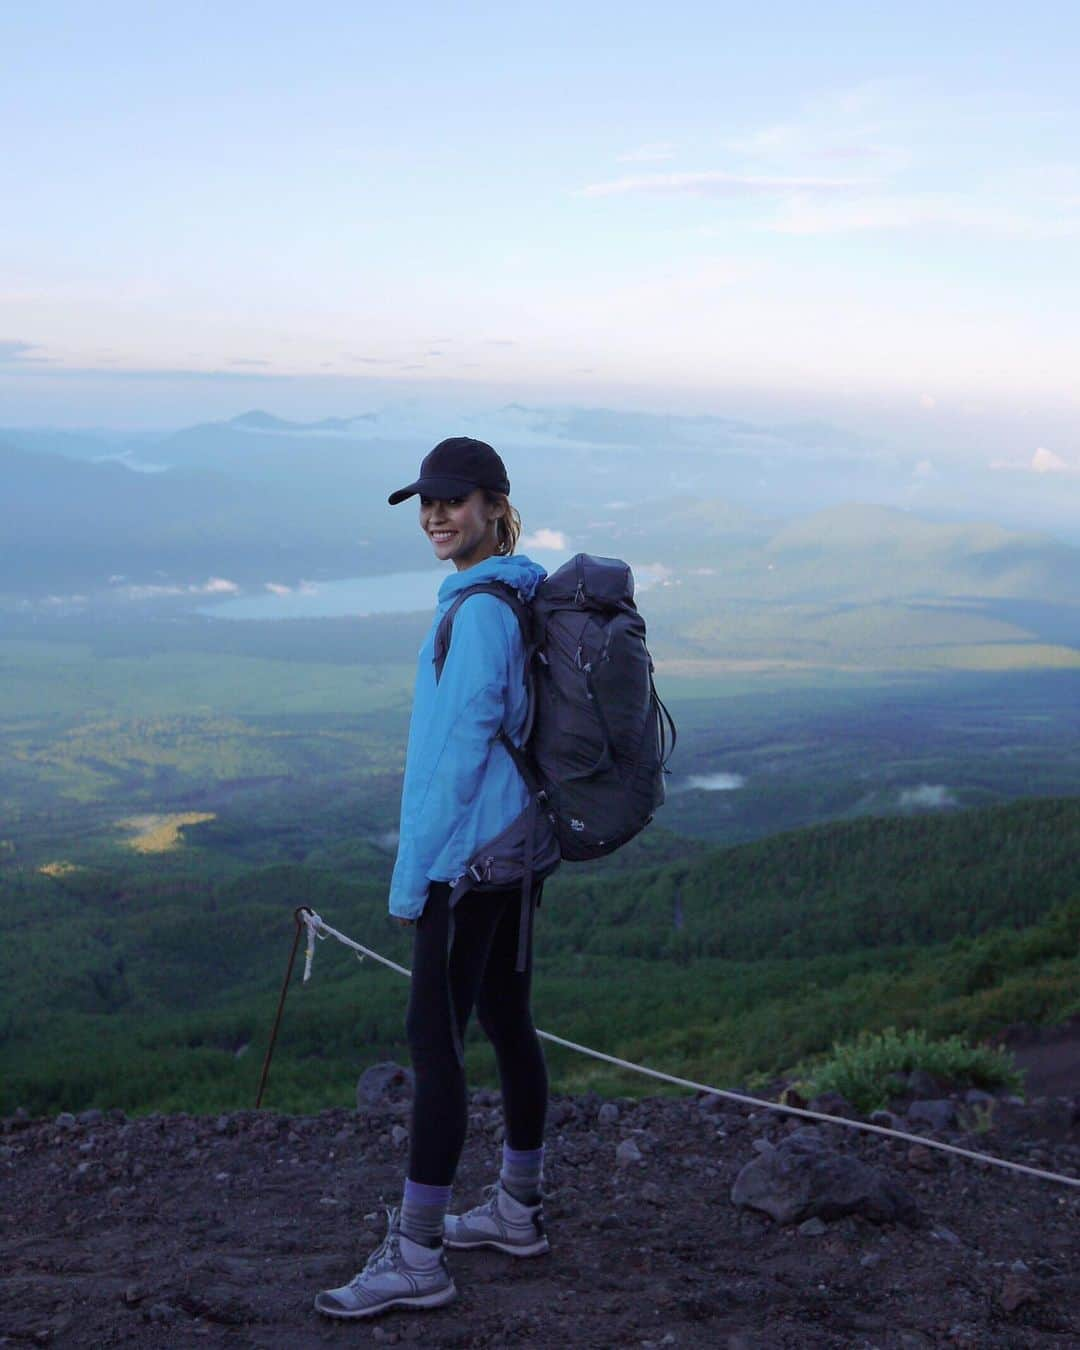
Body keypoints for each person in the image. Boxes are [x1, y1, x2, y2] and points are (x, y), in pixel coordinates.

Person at [315, 437, 552, 1321]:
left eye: (454, 501)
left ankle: (416, 1254)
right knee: (506, 1019)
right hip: (513, 849)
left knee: (434, 1040)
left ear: (495, 505)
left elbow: (456, 757)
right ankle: (517, 1209)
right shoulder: (508, 595)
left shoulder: (481, 612)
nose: (436, 517)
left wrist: (414, 881)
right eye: (427, 503)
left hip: (468, 858)